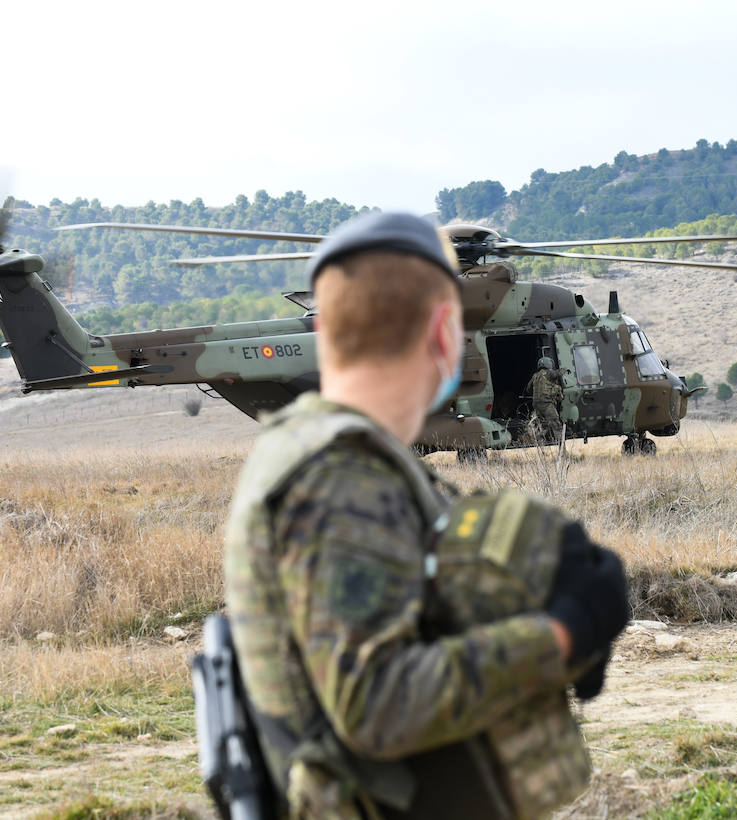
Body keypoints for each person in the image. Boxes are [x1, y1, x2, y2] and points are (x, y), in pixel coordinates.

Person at [223, 212, 629, 819]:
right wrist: (561, 635)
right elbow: (376, 703)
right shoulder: (339, 476)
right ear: (445, 330)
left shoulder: (336, 454)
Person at [524, 356, 564, 443]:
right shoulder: (548, 373)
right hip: (547, 405)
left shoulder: (535, 376)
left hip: (536, 406)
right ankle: (562, 450)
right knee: (556, 425)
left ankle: (540, 445)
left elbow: (528, 389)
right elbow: (557, 373)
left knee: (541, 426)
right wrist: (564, 370)